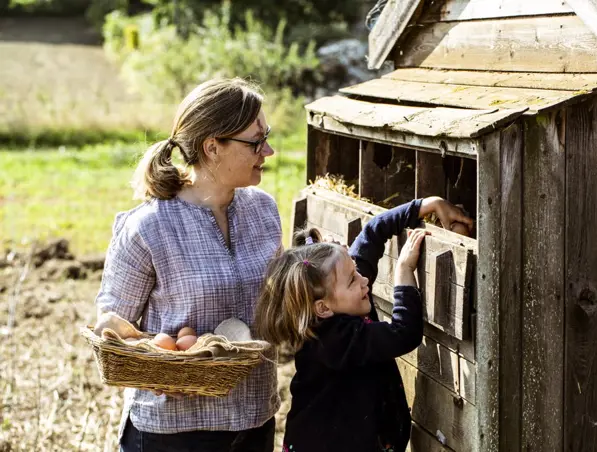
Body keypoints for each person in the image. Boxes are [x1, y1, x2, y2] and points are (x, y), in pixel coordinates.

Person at [95, 77, 282, 452]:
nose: (270, 150)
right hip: (173, 431)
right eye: (256, 141)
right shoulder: (150, 226)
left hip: (254, 419)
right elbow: (109, 325)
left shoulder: (264, 210)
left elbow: (276, 306)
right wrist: (156, 366)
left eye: (268, 136)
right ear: (213, 147)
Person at [255, 197, 473, 452]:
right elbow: (403, 333)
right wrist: (404, 272)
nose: (364, 280)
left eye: (356, 269)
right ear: (323, 308)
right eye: (353, 278)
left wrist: (427, 205)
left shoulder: (343, 291)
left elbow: (373, 232)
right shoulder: (334, 341)